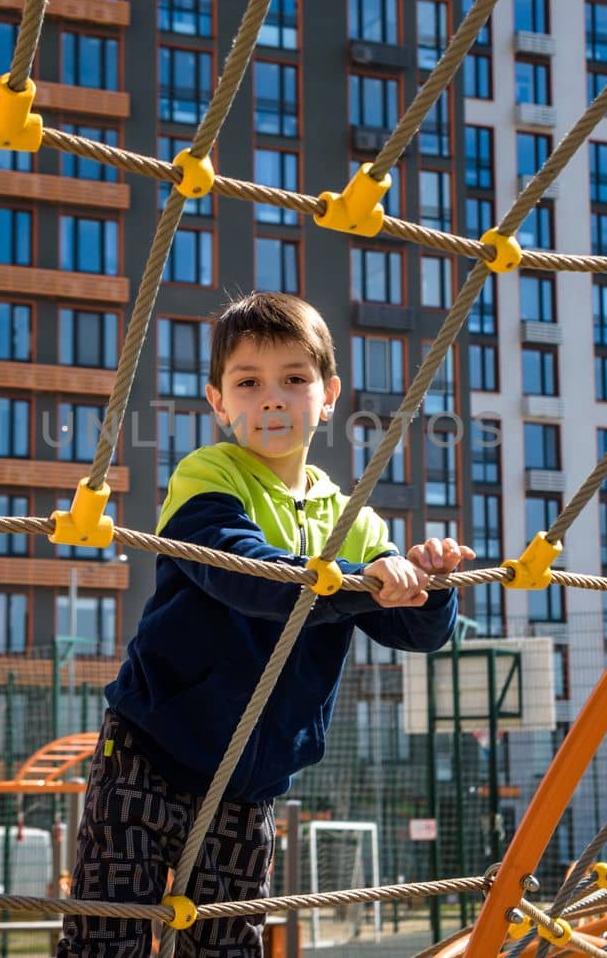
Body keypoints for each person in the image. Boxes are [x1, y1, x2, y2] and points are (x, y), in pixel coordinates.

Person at [58, 292, 473, 957]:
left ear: (329, 395)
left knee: (228, 942)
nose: (272, 398)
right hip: (152, 746)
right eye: (249, 382)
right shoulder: (207, 475)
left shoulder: (354, 518)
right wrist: (360, 582)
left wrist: (423, 582)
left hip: (251, 782)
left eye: (294, 379)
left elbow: (419, 635)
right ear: (218, 402)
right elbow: (252, 580)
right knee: (110, 931)